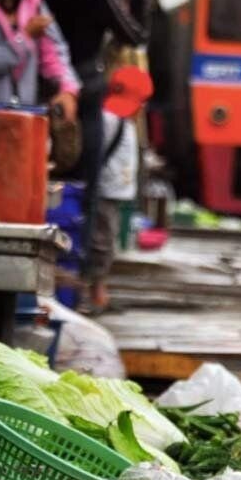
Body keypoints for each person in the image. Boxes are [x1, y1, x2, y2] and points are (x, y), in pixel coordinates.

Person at [41, 0, 150, 271]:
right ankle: (75, 269)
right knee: (85, 183)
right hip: (86, 89)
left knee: (43, 176)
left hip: (46, 88)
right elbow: (134, 35)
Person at [88, 66, 153, 313]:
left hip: (113, 191)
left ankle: (98, 290)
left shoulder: (120, 119)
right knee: (102, 243)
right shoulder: (110, 119)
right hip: (106, 190)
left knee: (106, 241)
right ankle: (96, 293)